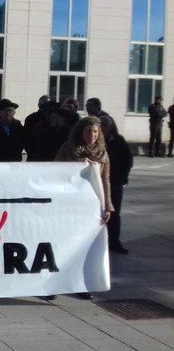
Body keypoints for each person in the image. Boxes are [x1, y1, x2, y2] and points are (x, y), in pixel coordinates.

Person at [55, 116, 114, 300]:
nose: (92, 135)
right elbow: (54, 171)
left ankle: (79, 284)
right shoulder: (69, 149)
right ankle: (53, 284)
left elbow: (105, 180)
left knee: (82, 246)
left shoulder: (102, 153)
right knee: (61, 244)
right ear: (81, 132)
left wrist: (108, 206)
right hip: (69, 203)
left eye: (96, 132)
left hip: (90, 206)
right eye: (89, 131)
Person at [100, 116, 133, 254]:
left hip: (115, 182)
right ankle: (100, 241)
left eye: (105, 126)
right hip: (99, 182)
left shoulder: (118, 141)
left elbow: (128, 159)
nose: (103, 129)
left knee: (115, 212)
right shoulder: (95, 141)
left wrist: (123, 175)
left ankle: (114, 240)